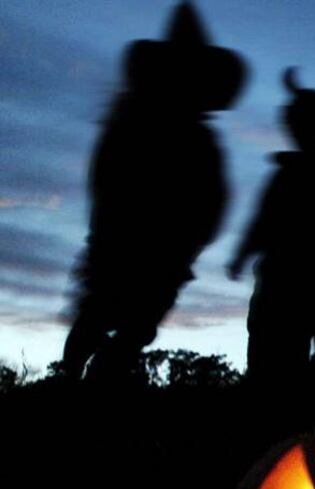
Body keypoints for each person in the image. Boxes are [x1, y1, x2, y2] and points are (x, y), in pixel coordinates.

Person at [61, 1, 246, 381]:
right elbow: (108, 182)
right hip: (124, 248)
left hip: (160, 256)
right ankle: (73, 381)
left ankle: (91, 384)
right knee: (102, 319)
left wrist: (187, 245)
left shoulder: (189, 139)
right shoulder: (134, 127)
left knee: (127, 327)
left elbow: (210, 202)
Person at [228, 68, 315, 386]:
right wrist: (242, 254)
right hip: (287, 281)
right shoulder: (288, 172)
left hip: (310, 281)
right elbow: (262, 221)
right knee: (273, 363)